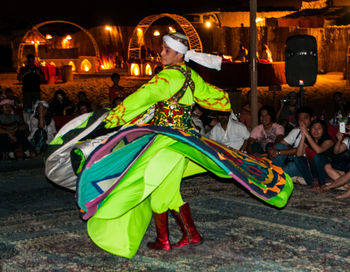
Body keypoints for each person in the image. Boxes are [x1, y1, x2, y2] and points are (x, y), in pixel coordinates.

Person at [70, 32, 292, 259]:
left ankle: (163, 240)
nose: (161, 53)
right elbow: (216, 97)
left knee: (149, 186)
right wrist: (221, 101)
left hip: (166, 142)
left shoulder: (166, 78)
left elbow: (142, 97)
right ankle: (191, 234)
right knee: (169, 190)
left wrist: (111, 119)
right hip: (184, 140)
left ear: (178, 54)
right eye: (163, 49)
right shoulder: (190, 76)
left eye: (166, 50)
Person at [267, 106, 313, 179]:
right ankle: (274, 169)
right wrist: (272, 149)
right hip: (292, 159)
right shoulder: (296, 130)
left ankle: (275, 174)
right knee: (279, 146)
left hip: (306, 163)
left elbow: (298, 151)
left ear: (312, 119)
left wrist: (278, 152)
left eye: (305, 118)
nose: (302, 121)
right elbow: (282, 143)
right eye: (300, 118)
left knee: (290, 167)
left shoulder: (314, 132)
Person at [295, 119, 334, 189]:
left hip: (328, 170)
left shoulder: (329, 140)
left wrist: (307, 134)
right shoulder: (310, 139)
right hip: (314, 169)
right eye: (313, 128)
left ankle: (322, 184)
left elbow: (318, 150)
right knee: (297, 158)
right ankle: (312, 183)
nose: (315, 131)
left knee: (317, 157)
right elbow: (298, 154)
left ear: (323, 130)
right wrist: (303, 136)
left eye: (319, 128)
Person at [321, 129, 350, 197]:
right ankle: (348, 187)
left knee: (348, 174)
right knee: (327, 167)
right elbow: (336, 151)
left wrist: (329, 187)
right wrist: (339, 140)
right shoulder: (348, 140)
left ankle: (329, 187)